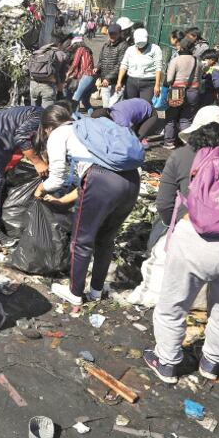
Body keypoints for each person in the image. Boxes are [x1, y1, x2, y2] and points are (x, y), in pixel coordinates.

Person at [145, 112, 219, 383]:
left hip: (196, 239)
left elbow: (165, 204)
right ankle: (211, 364)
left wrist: (173, 227)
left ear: (196, 133)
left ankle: (166, 362)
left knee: (173, 305)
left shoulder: (181, 157)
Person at [38, 105, 140, 306]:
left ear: (48, 127)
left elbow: (57, 179)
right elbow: (86, 182)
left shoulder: (58, 134)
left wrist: (41, 189)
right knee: (106, 239)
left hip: (101, 181)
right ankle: (96, 291)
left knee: (82, 240)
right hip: (132, 180)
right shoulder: (88, 127)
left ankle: (74, 292)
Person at [0, 106, 49, 246]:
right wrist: (37, 162)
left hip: (1, 136)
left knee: (3, 176)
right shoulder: (39, 118)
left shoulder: (44, 118)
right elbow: (21, 136)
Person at [163, 35, 201, 149]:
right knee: (186, 119)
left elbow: (169, 79)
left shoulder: (176, 60)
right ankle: (187, 143)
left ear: (181, 47)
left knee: (171, 117)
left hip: (177, 90)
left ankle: (169, 141)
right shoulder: (197, 61)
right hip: (193, 91)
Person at [115, 28, 163, 103]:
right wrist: (119, 82)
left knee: (145, 105)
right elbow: (124, 65)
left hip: (148, 82)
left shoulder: (155, 49)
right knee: (130, 105)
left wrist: (157, 85)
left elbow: (158, 67)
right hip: (131, 81)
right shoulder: (130, 50)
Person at [91, 98, 158, 144]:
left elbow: (130, 134)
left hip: (151, 114)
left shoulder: (121, 121)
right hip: (139, 106)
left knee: (135, 140)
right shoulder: (109, 112)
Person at [94, 23, 129, 108]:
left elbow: (120, 64)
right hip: (105, 81)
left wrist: (108, 78)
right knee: (106, 106)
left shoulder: (124, 46)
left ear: (120, 33)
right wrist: (97, 68)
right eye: (110, 34)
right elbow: (101, 60)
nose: (112, 36)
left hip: (117, 82)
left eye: (114, 34)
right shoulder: (105, 45)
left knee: (114, 107)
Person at [66, 34, 97, 114]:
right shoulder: (88, 50)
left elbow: (75, 64)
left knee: (75, 99)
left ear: (76, 44)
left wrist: (68, 74)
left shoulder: (80, 49)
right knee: (85, 101)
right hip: (91, 77)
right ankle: (93, 117)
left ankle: (75, 119)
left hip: (86, 76)